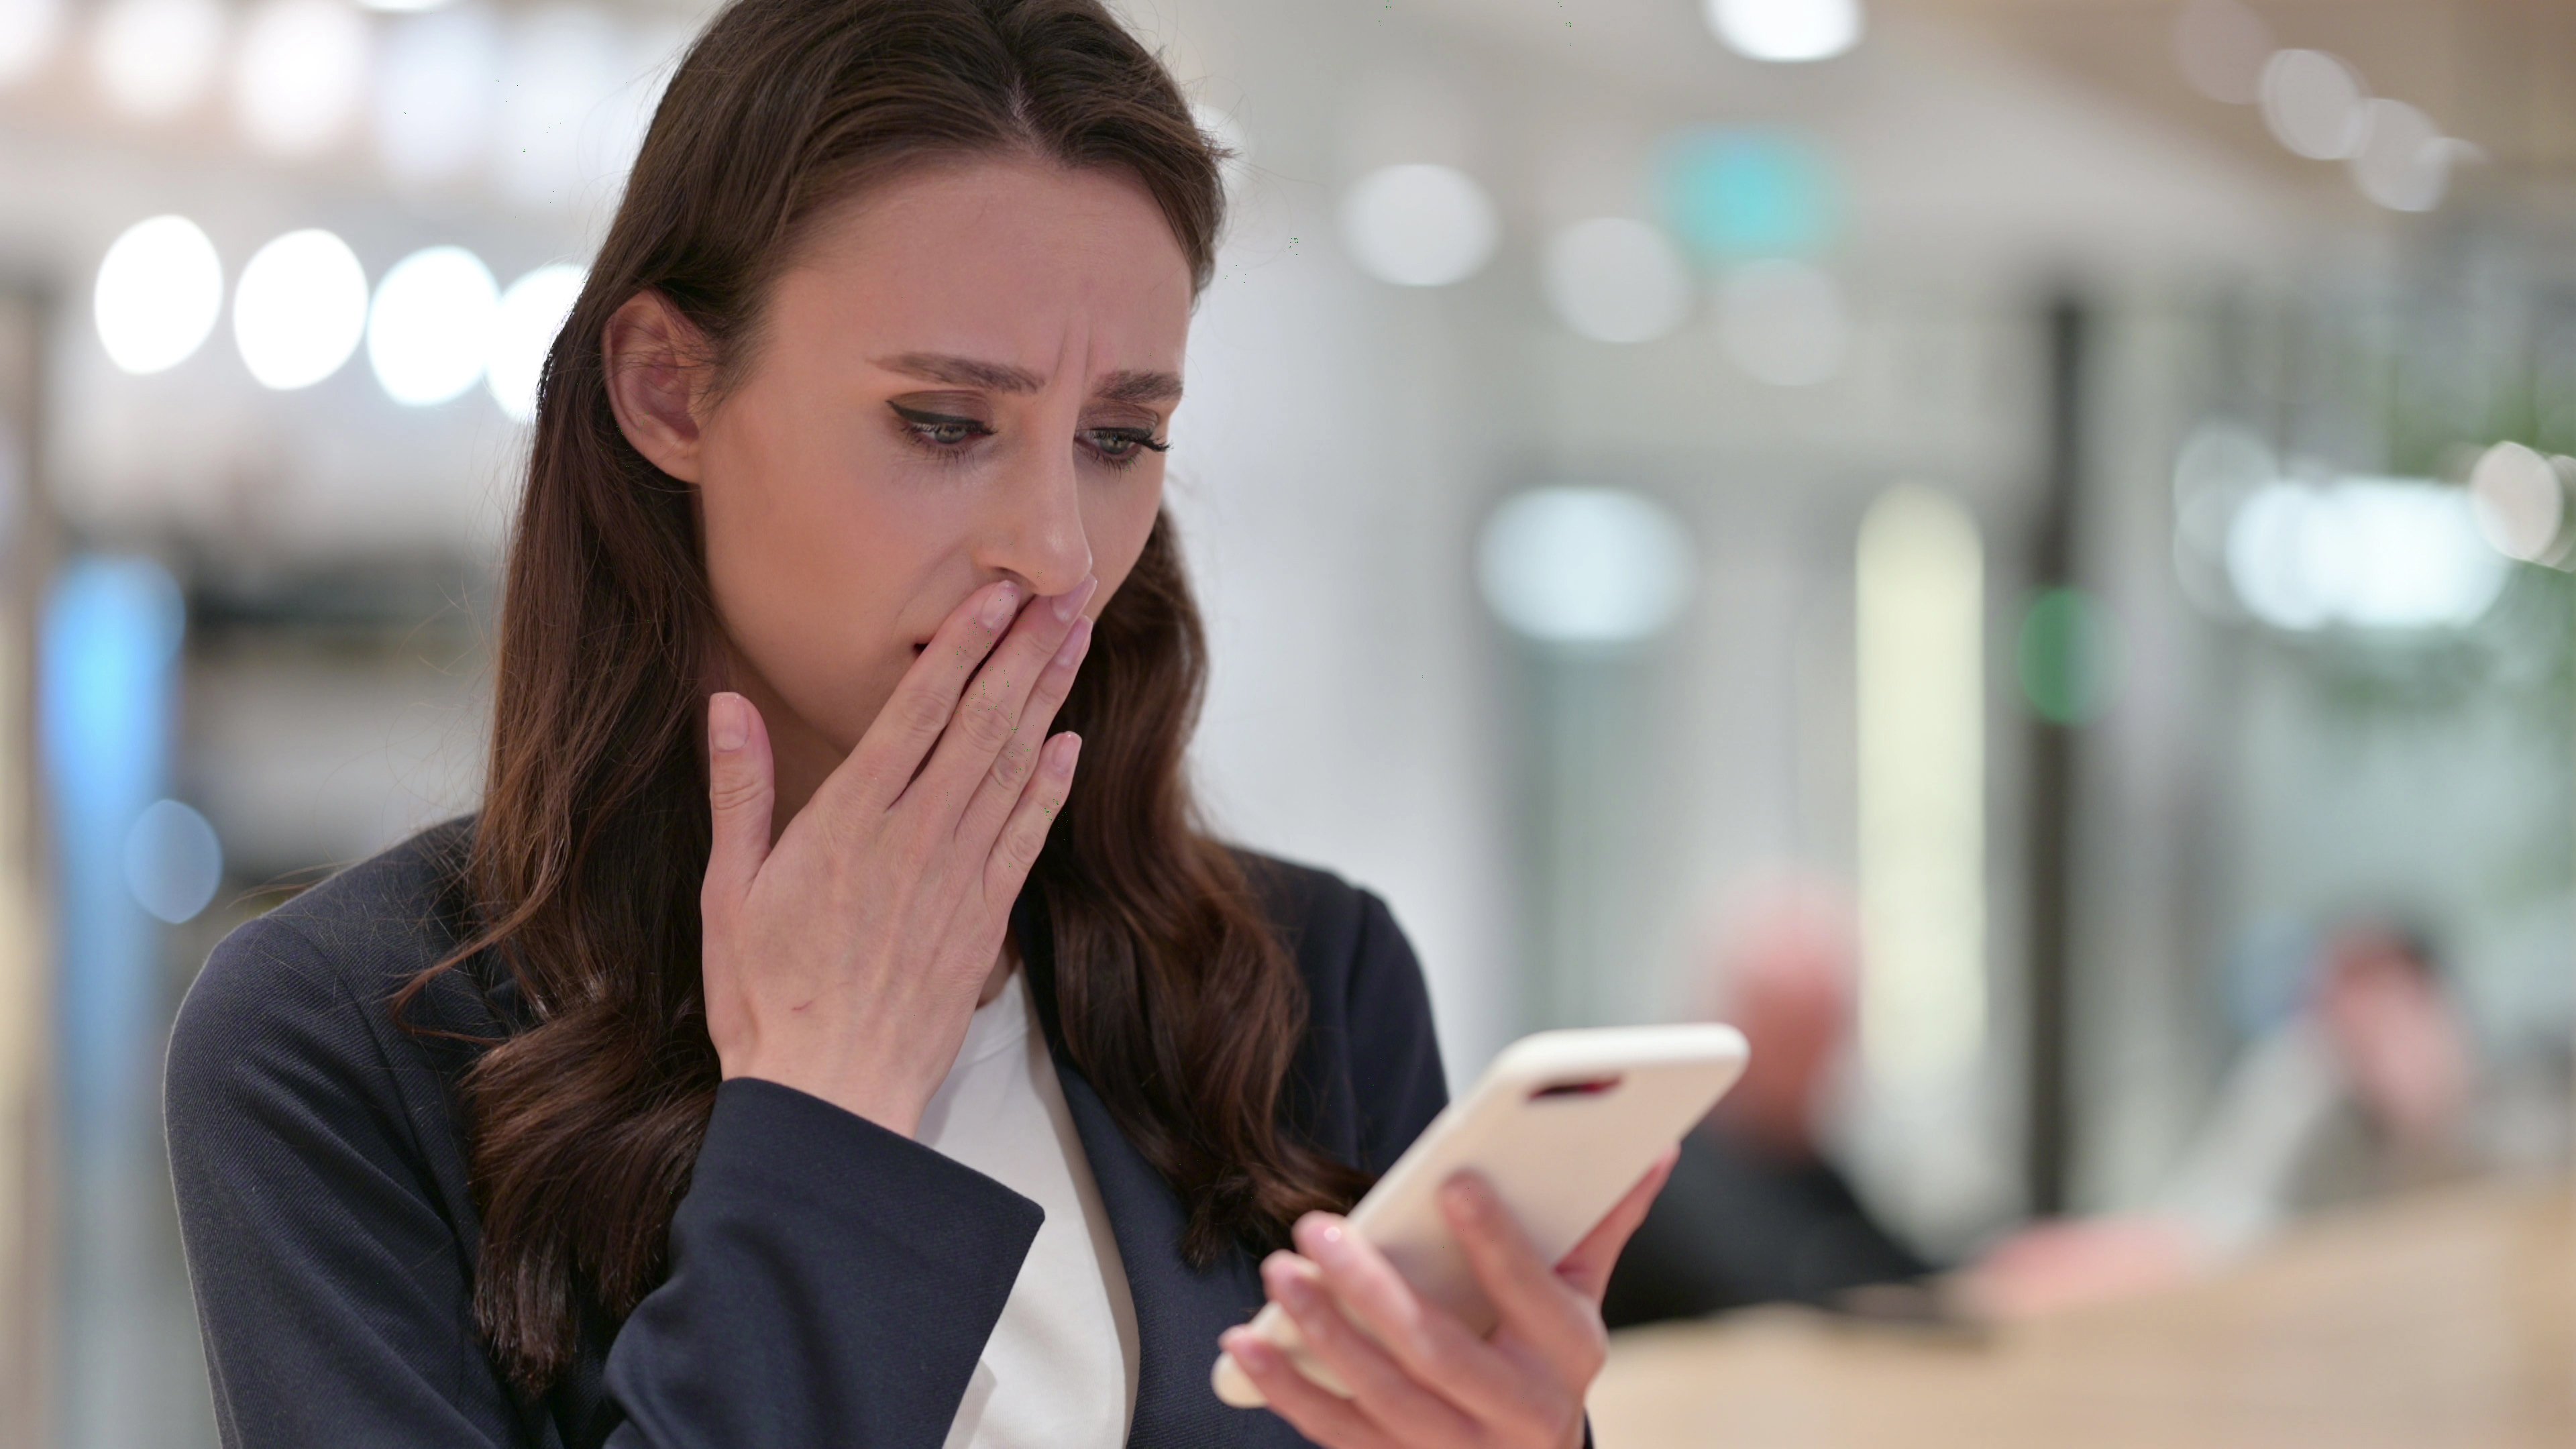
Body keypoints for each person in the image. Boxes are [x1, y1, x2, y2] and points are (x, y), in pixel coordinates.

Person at [158, 3, 1673, 1446]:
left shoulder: (1304, 989)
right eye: (944, 424)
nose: (1059, 550)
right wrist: (821, 1123)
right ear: (668, 390)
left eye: (1119, 439)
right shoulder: (344, 1043)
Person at [1601, 874, 1929, 1328]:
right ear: (1727, 1027)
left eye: (1831, 1036)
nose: (1820, 1067)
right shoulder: (1665, 1166)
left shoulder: (1802, 1161)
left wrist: (1995, 1271)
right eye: (1793, 1037)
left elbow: (1893, 1263)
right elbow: (1768, 1291)